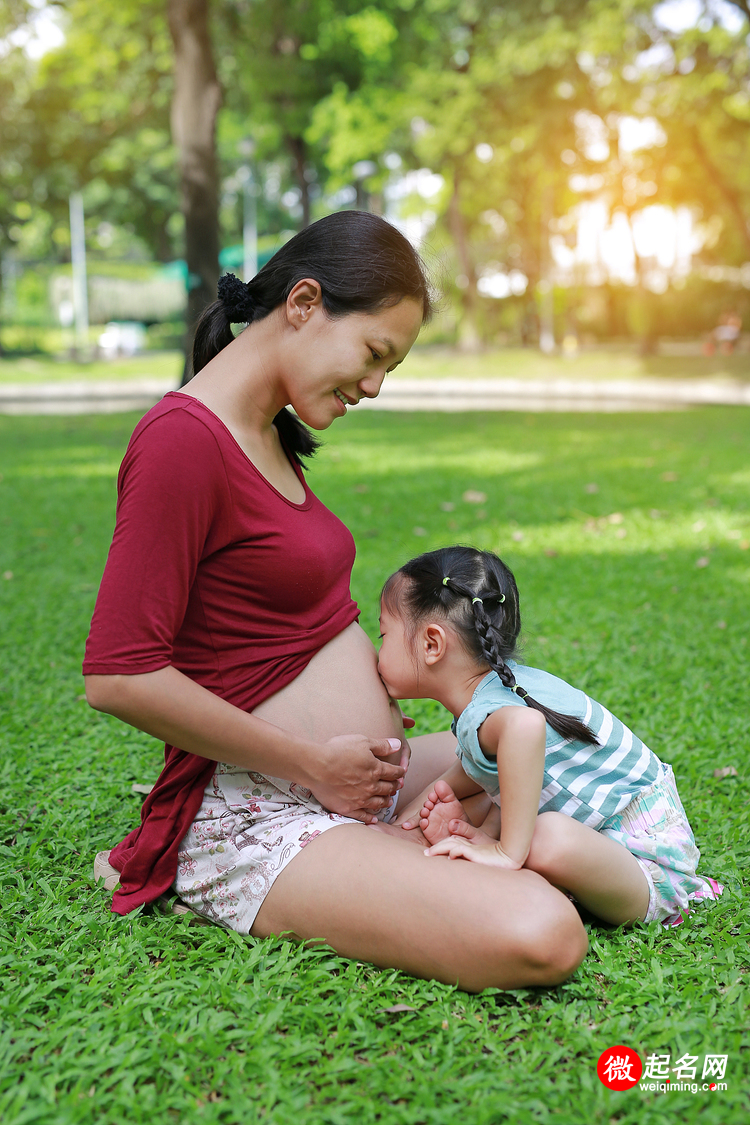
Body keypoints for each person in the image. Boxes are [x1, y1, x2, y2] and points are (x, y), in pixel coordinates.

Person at [84, 211, 587, 992]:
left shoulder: (266, 434)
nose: (375, 386)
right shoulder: (182, 440)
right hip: (266, 811)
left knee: (556, 750)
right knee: (543, 930)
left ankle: (403, 852)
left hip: (352, 782)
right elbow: (120, 674)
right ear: (305, 302)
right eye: (375, 354)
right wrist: (315, 765)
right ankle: (197, 864)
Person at [377, 545, 723, 927]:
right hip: (616, 841)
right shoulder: (501, 687)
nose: (378, 651)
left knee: (546, 837)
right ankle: (489, 845)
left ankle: (509, 857)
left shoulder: (488, 713)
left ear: (431, 644)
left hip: (650, 868)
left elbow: (526, 728)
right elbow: (473, 782)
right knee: (475, 796)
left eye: (383, 635)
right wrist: (401, 829)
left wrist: (508, 851)